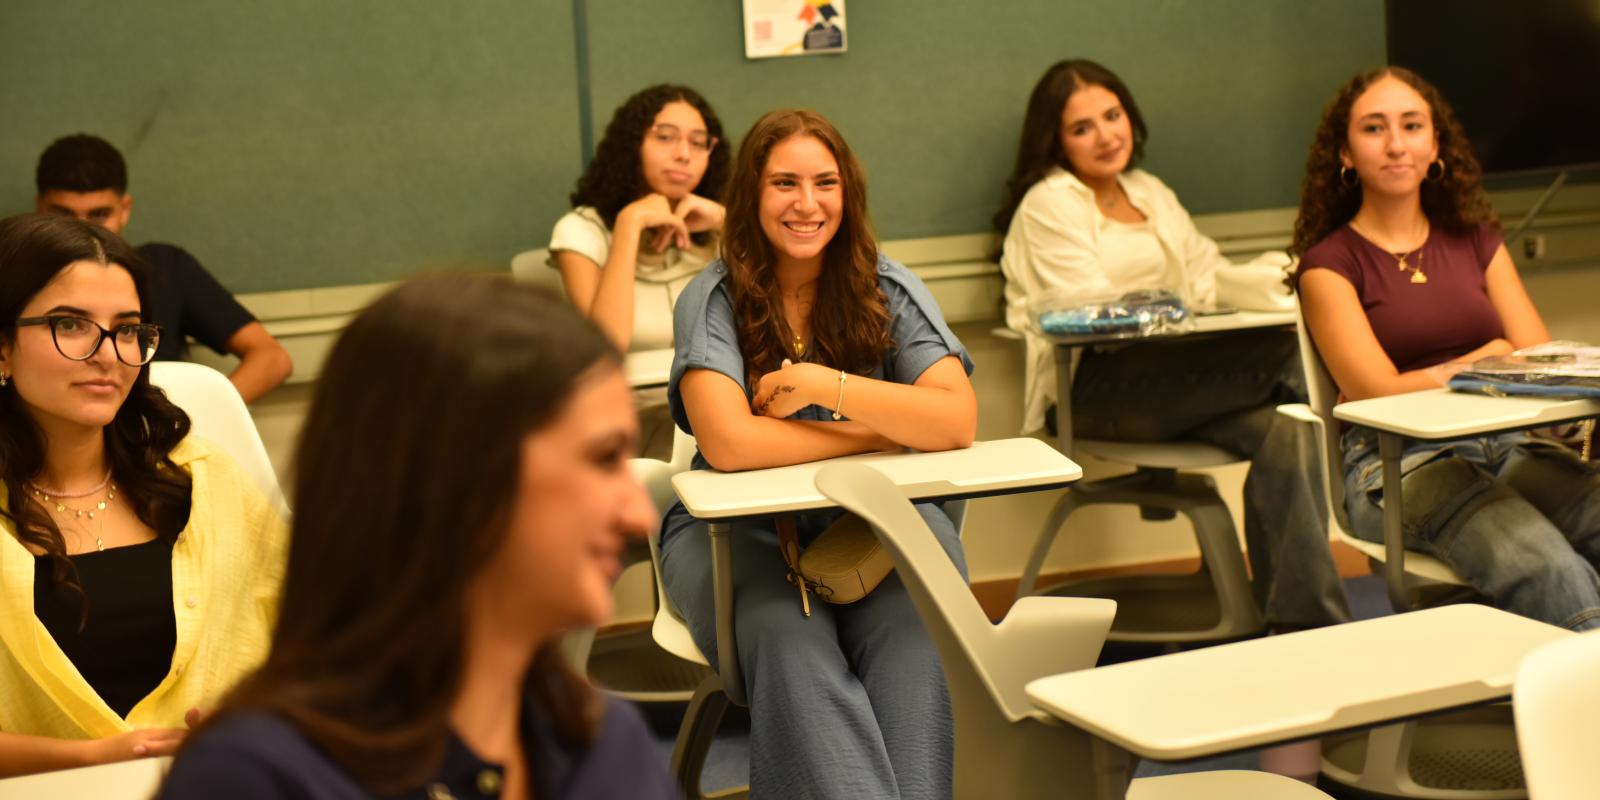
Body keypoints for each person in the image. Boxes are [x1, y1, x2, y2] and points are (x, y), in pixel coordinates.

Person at [158, 275, 674, 798]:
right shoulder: (255, 778)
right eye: (605, 459)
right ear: (456, 479)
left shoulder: (604, 740)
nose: (641, 517)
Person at [660, 108, 977, 799]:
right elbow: (732, 444)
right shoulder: (710, 298)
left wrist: (822, 386)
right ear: (751, 195)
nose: (807, 204)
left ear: (848, 193)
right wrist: (881, 425)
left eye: (825, 182)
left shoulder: (886, 287)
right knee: (789, 643)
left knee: (913, 638)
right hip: (735, 539)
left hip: (871, 536)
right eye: (784, 184)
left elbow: (953, 422)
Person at [995, 59, 1350, 630]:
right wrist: (1169, 307)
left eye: (1113, 116)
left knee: (1292, 428)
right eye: (1082, 127)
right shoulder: (1049, 205)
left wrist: (1282, 278)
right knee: (1293, 360)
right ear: (1055, 142)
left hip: (1183, 386)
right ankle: (1378, 461)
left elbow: (1205, 275)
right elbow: (1085, 310)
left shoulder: (1149, 191)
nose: (1106, 135)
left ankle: (1305, 628)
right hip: (1098, 389)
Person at [1293, 66, 1600, 632]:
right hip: (1398, 465)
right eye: (1374, 128)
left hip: (1509, 446)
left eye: (1412, 126)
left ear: (1435, 145)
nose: (1395, 144)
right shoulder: (1328, 265)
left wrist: (1484, 363)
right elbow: (1376, 391)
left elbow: (1540, 360)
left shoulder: (1477, 239)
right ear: (1345, 153)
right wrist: (1485, 359)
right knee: (1553, 570)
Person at [0, 214, 287, 777]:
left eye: (128, 329)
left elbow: (314, 644)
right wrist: (91, 759)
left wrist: (255, 720)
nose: (109, 354)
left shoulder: (203, 479)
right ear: (3, 347)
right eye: (70, 324)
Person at [34, 134, 293, 403]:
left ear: (125, 209)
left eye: (99, 214)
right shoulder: (19, 278)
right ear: (40, 208)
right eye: (63, 214)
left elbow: (272, 358)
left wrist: (189, 421)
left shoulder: (165, 268)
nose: (83, 229)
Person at [549, 84, 730, 353]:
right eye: (666, 137)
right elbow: (605, 348)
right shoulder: (581, 230)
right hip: (630, 393)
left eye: (698, 142)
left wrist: (728, 222)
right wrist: (629, 224)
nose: (683, 154)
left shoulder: (719, 226)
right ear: (632, 144)